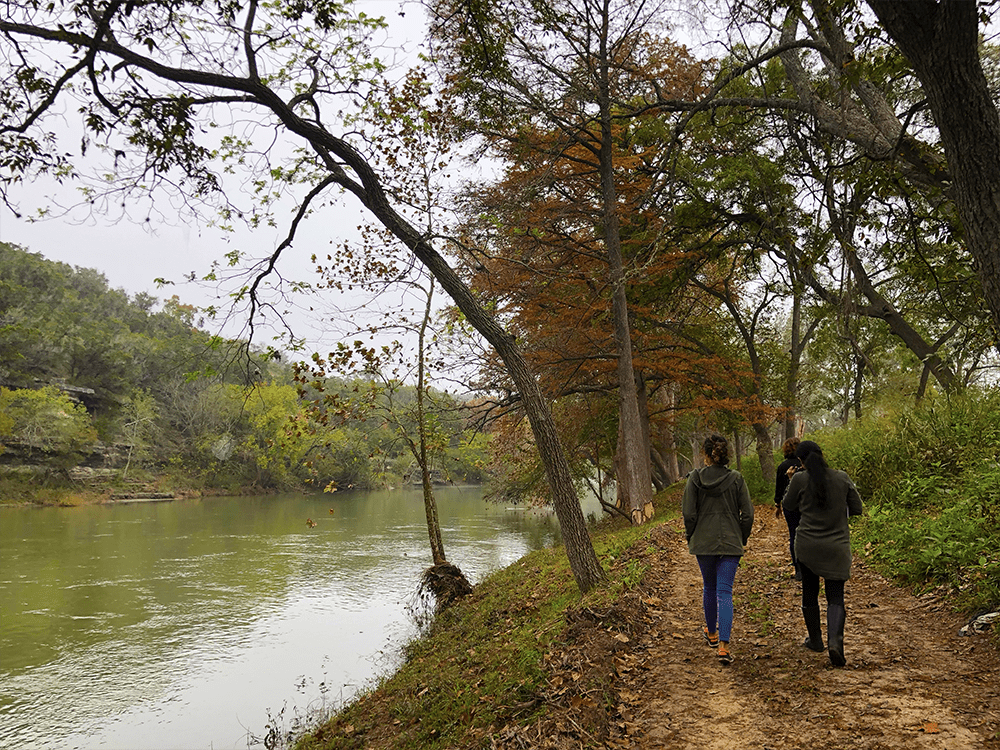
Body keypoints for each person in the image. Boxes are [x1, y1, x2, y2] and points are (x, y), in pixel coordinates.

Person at [782, 440, 863, 667]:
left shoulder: (799, 479)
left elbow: (788, 505)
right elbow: (857, 508)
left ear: (800, 461)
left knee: (810, 592)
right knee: (835, 596)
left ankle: (816, 641)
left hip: (807, 545)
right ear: (821, 454)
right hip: (836, 546)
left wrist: (791, 482)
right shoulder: (842, 477)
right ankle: (835, 644)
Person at [682, 434, 755, 665]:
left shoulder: (694, 479)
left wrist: (691, 535)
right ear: (726, 454)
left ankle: (711, 634)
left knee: (709, 587)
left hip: (704, 542)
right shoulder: (736, 479)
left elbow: (688, 514)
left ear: (705, 454)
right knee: (725, 592)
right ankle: (724, 646)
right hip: (731, 543)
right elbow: (749, 514)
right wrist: (740, 536)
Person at [775, 437, 802, 581]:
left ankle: (798, 568)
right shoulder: (804, 465)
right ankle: (808, 565)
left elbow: (779, 488)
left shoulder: (782, 466)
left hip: (789, 505)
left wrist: (777, 504)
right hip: (805, 504)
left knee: (793, 533)